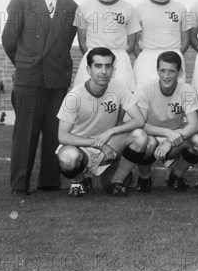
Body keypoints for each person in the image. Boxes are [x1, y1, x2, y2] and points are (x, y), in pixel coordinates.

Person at [1, 0, 77, 195]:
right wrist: (27, 63)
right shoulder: (21, 1)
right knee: (26, 133)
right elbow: (9, 40)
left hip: (56, 79)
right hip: (29, 78)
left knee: (55, 132)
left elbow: (65, 42)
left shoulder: (70, 5)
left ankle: (50, 181)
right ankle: (19, 184)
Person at [56, 47, 146, 197]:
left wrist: (110, 132)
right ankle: (79, 180)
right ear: (88, 69)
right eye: (98, 66)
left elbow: (139, 120)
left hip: (110, 147)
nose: (104, 71)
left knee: (140, 136)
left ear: (113, 69)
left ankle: (116, 182)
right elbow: (63, 137)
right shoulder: (74, 96)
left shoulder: (118, 87)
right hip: (81, 148)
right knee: (67, 157)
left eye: (108, 66)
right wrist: (98, 144)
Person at [134, 51, 198, 192]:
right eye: (163, 71)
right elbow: (140, 124)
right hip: (152, 137)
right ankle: (145, 177)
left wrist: (169, 141)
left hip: (176, 141)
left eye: (171, 71)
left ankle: (176, 175)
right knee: (146, 142)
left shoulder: (187, 90)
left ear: (179, 72)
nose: (166, 76)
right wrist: (167, 133)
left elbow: (194, 125)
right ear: (157, 70)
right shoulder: (145, 88)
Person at [73, 0, 141, 91]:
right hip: (94, 58)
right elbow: (82, 41)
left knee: (121, 101)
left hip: (119, 60)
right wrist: (94, 58)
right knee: (88, 99)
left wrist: (115, 59)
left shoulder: (128, 8)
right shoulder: (84, 7)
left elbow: (131, 44)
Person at [133, 0, 190, 84]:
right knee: (146, 100)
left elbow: (186, 39)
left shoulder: (181, 8)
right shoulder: (139, 9)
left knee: (175, 100)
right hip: (147, 60)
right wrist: (144, 58)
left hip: (173, 58)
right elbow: (134, 42)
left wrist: (175, 57)